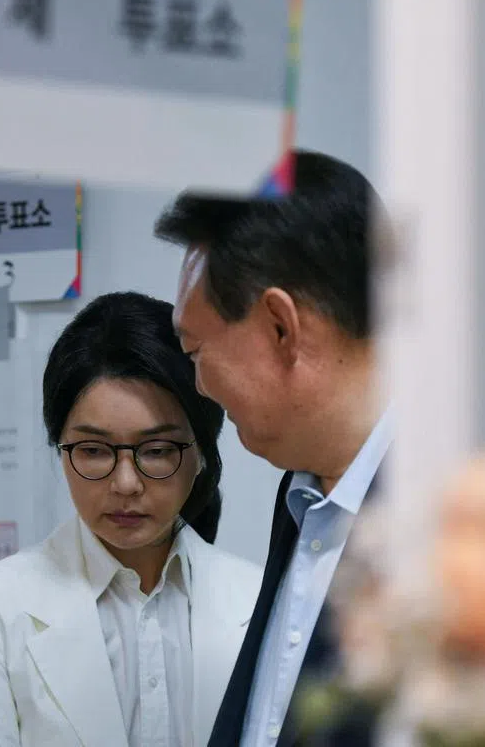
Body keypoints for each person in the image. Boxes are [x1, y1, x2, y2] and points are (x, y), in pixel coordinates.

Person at [0, 291, 262, 747]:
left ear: (201, 455)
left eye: (156, 451)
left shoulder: (260, 600)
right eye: (93, 451)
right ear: (60, 448)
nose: (126, 483)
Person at [155, 150, 391, 746]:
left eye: (195, 353)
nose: (200, 386)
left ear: (281, 328)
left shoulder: (444, 513)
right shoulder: (302, 495)